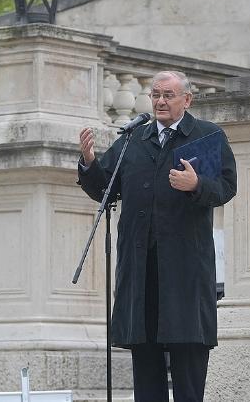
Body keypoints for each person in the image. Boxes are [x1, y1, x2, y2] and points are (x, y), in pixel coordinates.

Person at [77, 70, 237, 402]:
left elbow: (226, 188)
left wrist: (196, 186)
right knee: (145, 356)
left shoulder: (207, 136)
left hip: (185, 269)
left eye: (168, 95)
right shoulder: (134, 139)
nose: (160, 101)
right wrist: (90, 162)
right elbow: (104, 189)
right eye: (156, 95)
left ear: (187, 99)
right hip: (142, 267)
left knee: (187, 355)